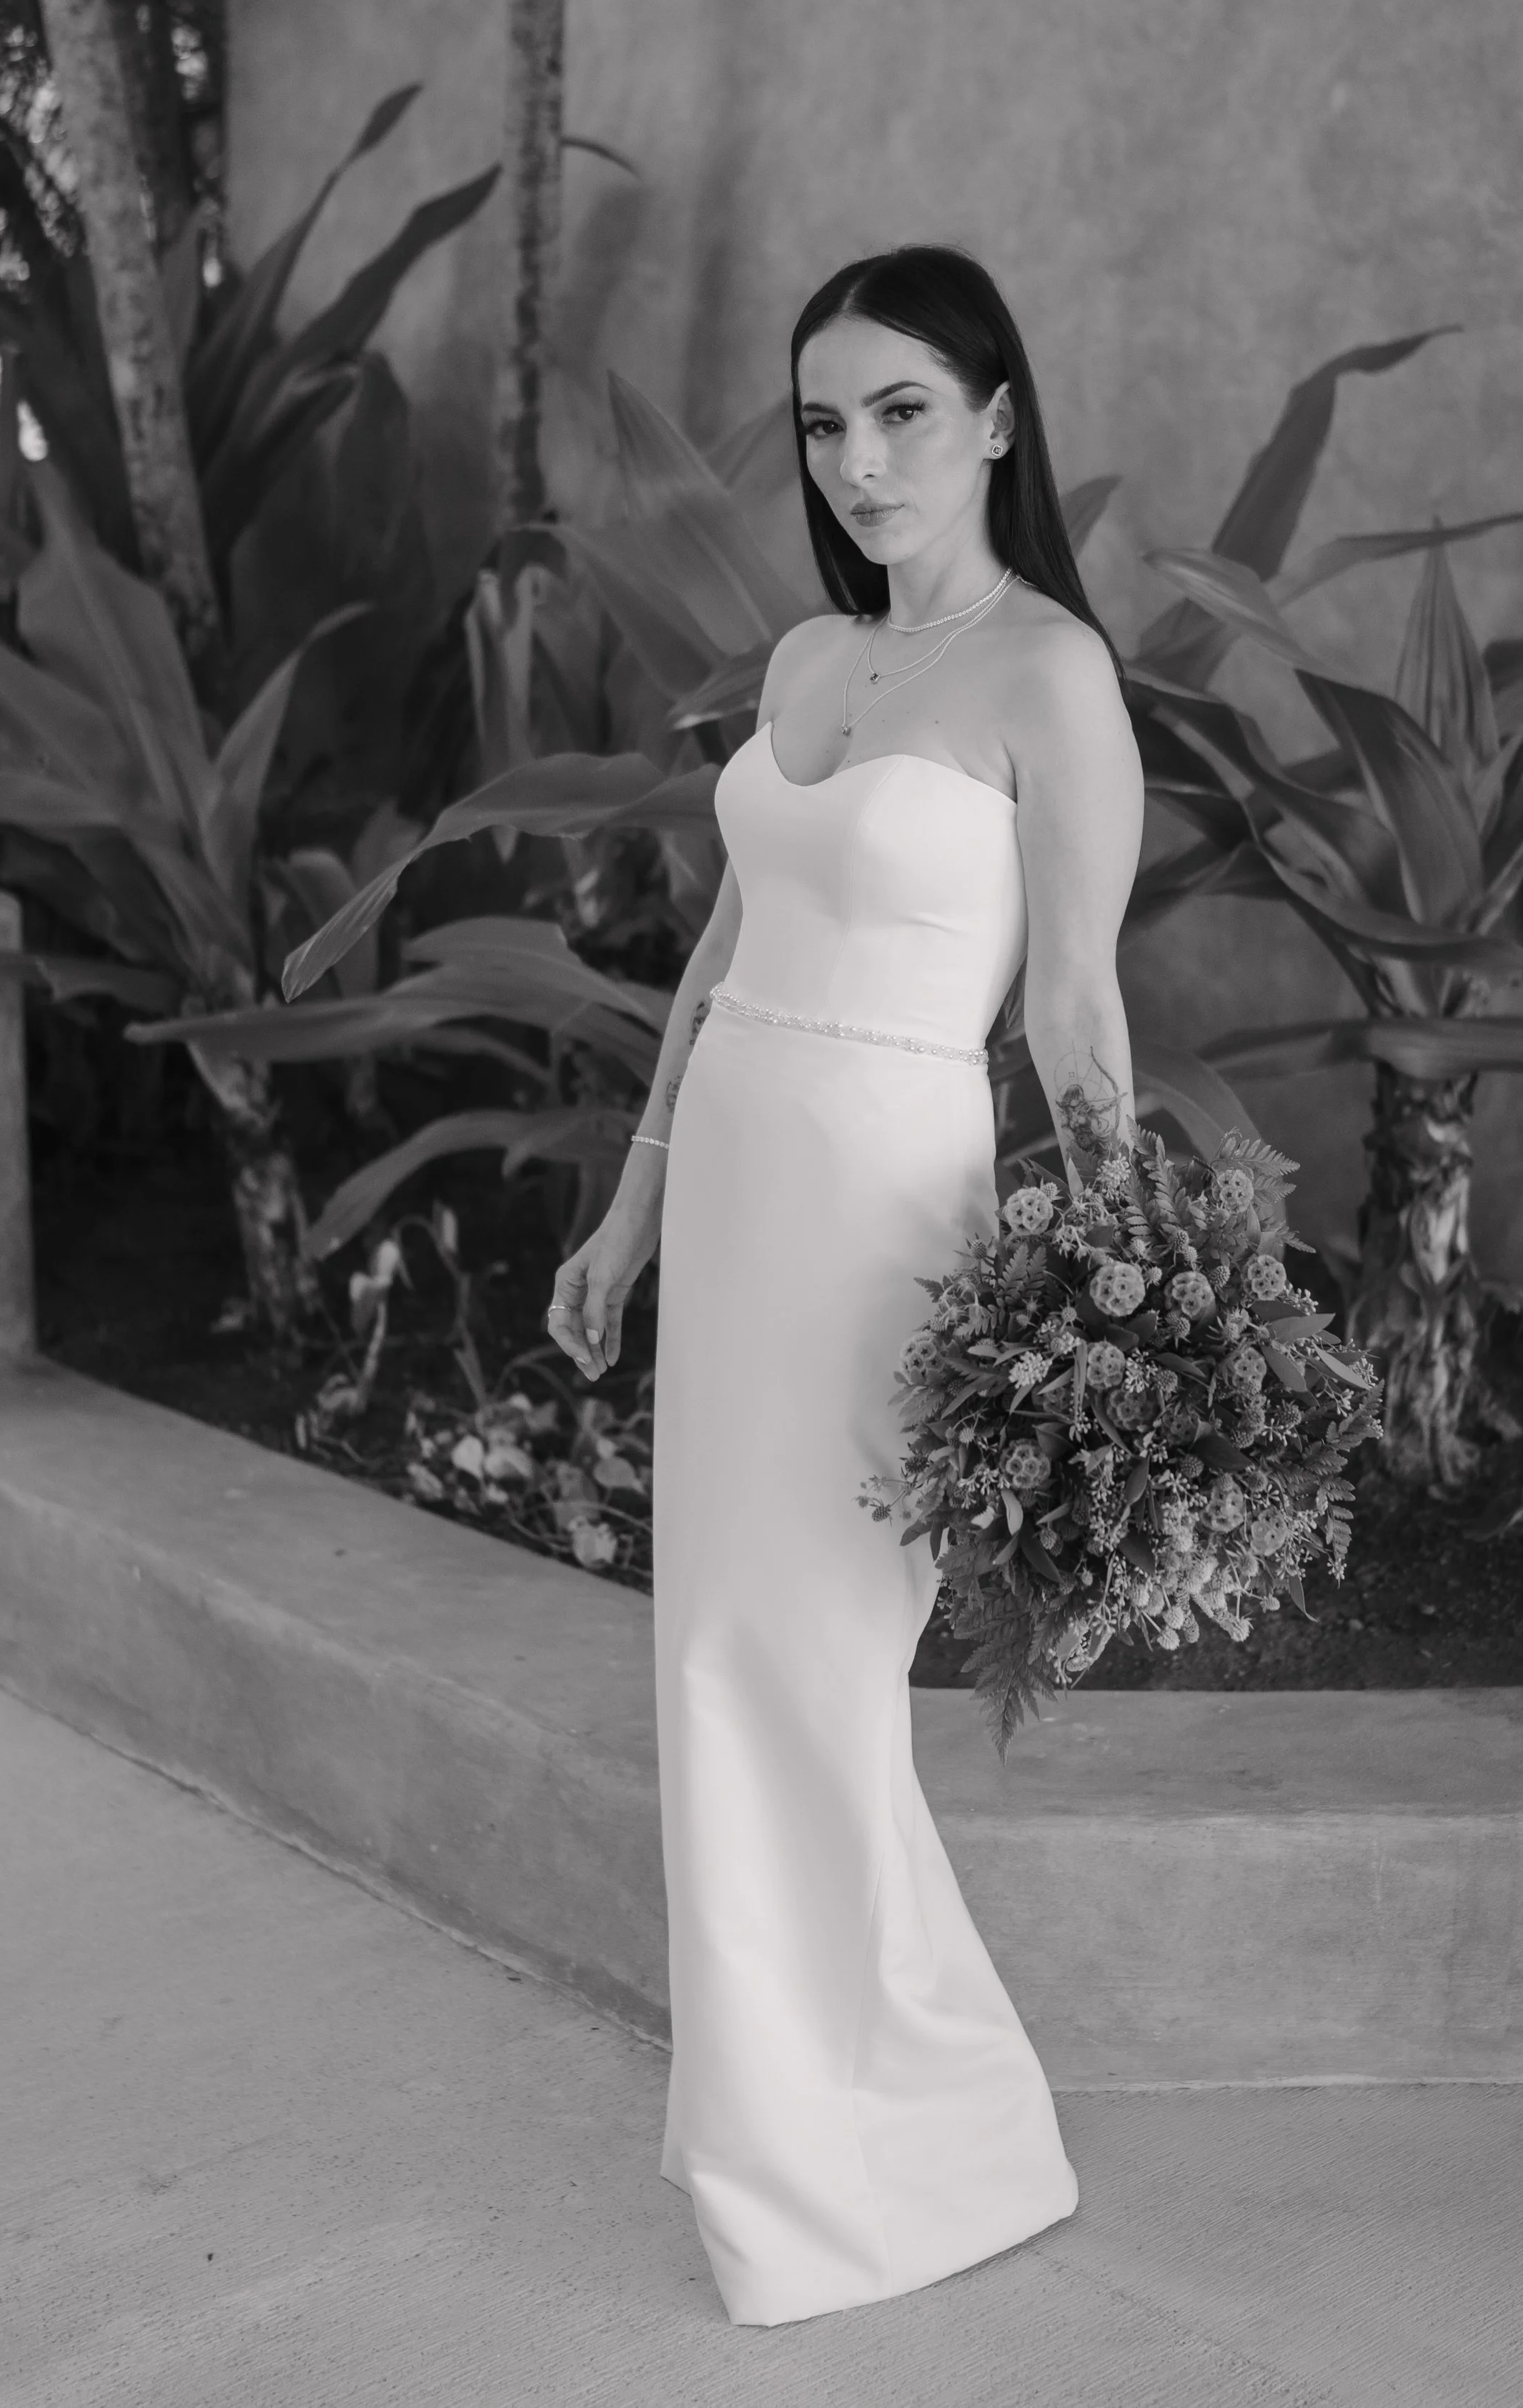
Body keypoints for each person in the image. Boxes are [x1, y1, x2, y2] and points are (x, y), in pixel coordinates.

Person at [545, 243, 1146, 2327]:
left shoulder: (1050, 674)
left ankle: (898, 2137)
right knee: (714, 1655)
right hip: (724, 1193)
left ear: (995, 415)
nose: (861, 456)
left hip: (893, 1208)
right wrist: (624, 1210)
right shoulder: (807, 650)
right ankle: (789, 2121)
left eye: (902, 410)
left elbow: (1070, 1001)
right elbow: (725, 951)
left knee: (800, 1667)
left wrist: (1134, 1278)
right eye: (825, 421)